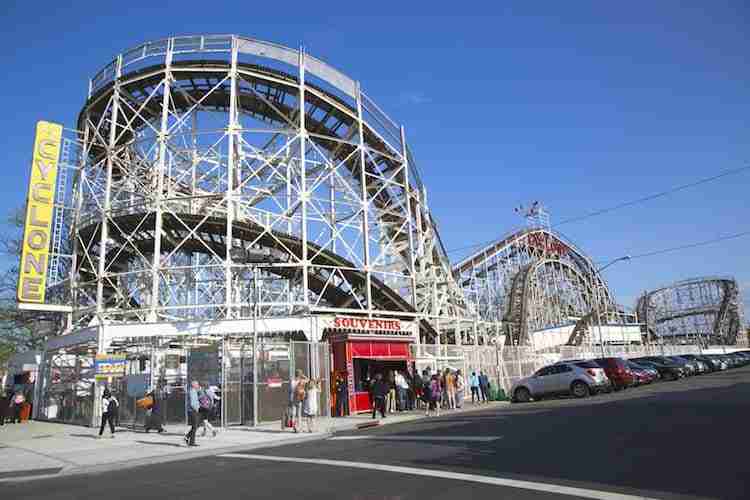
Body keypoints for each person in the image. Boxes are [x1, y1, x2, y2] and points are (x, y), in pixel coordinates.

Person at [184, 380, 201, 446]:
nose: (198, 385)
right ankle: (191, 442)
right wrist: (197, 409)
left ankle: (187, 437)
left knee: (196, 425)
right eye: (197, 384)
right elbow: (192, 403)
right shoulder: (192, 392)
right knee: (195, 426)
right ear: (194, 385)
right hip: (193, 411)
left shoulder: (193, 391)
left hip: (192, 410)